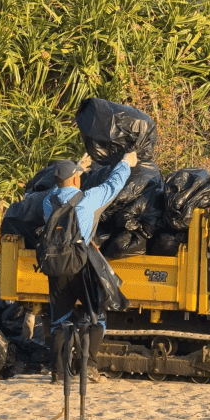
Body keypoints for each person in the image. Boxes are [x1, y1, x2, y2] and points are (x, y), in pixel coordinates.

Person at [42, 150, 138, 383]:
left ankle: (57, 372)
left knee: (59, 320)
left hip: (56, 266)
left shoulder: (48, 202)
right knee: (97, 316)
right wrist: (126, 163)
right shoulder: (88, 198)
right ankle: (89, 367)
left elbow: (61, 189)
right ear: (75, 179)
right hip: (82, 265)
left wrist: (76, 168)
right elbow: (114, 185)